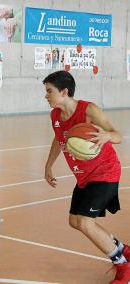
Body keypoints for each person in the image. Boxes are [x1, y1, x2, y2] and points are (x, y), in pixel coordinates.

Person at [43, 71, 130, 283]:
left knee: (85, 222)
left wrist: (106, 136)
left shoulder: (89, 110)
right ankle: (123, 249)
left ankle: (123, 267)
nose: (46, 96)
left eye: (49, 91)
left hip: (105, 171)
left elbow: (117, 135)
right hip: (84, 176)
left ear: (64, 92)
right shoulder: (55, 115)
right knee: (74, 221)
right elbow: (59, 139)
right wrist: (48, 165)